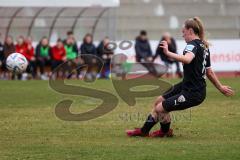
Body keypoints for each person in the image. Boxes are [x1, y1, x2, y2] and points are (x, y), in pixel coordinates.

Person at [126, 17, 235, 137]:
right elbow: (209, 72)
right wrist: (220, 87)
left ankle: (160, 131)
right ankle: (147, 131)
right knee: (158, 101)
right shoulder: (204, 46)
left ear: (190, 31)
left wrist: (168, 53)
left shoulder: (192, 45)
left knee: (160, 108)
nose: (182, 35)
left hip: (193, 92)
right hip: (187, 85)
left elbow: (187, 59)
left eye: (183, 32)